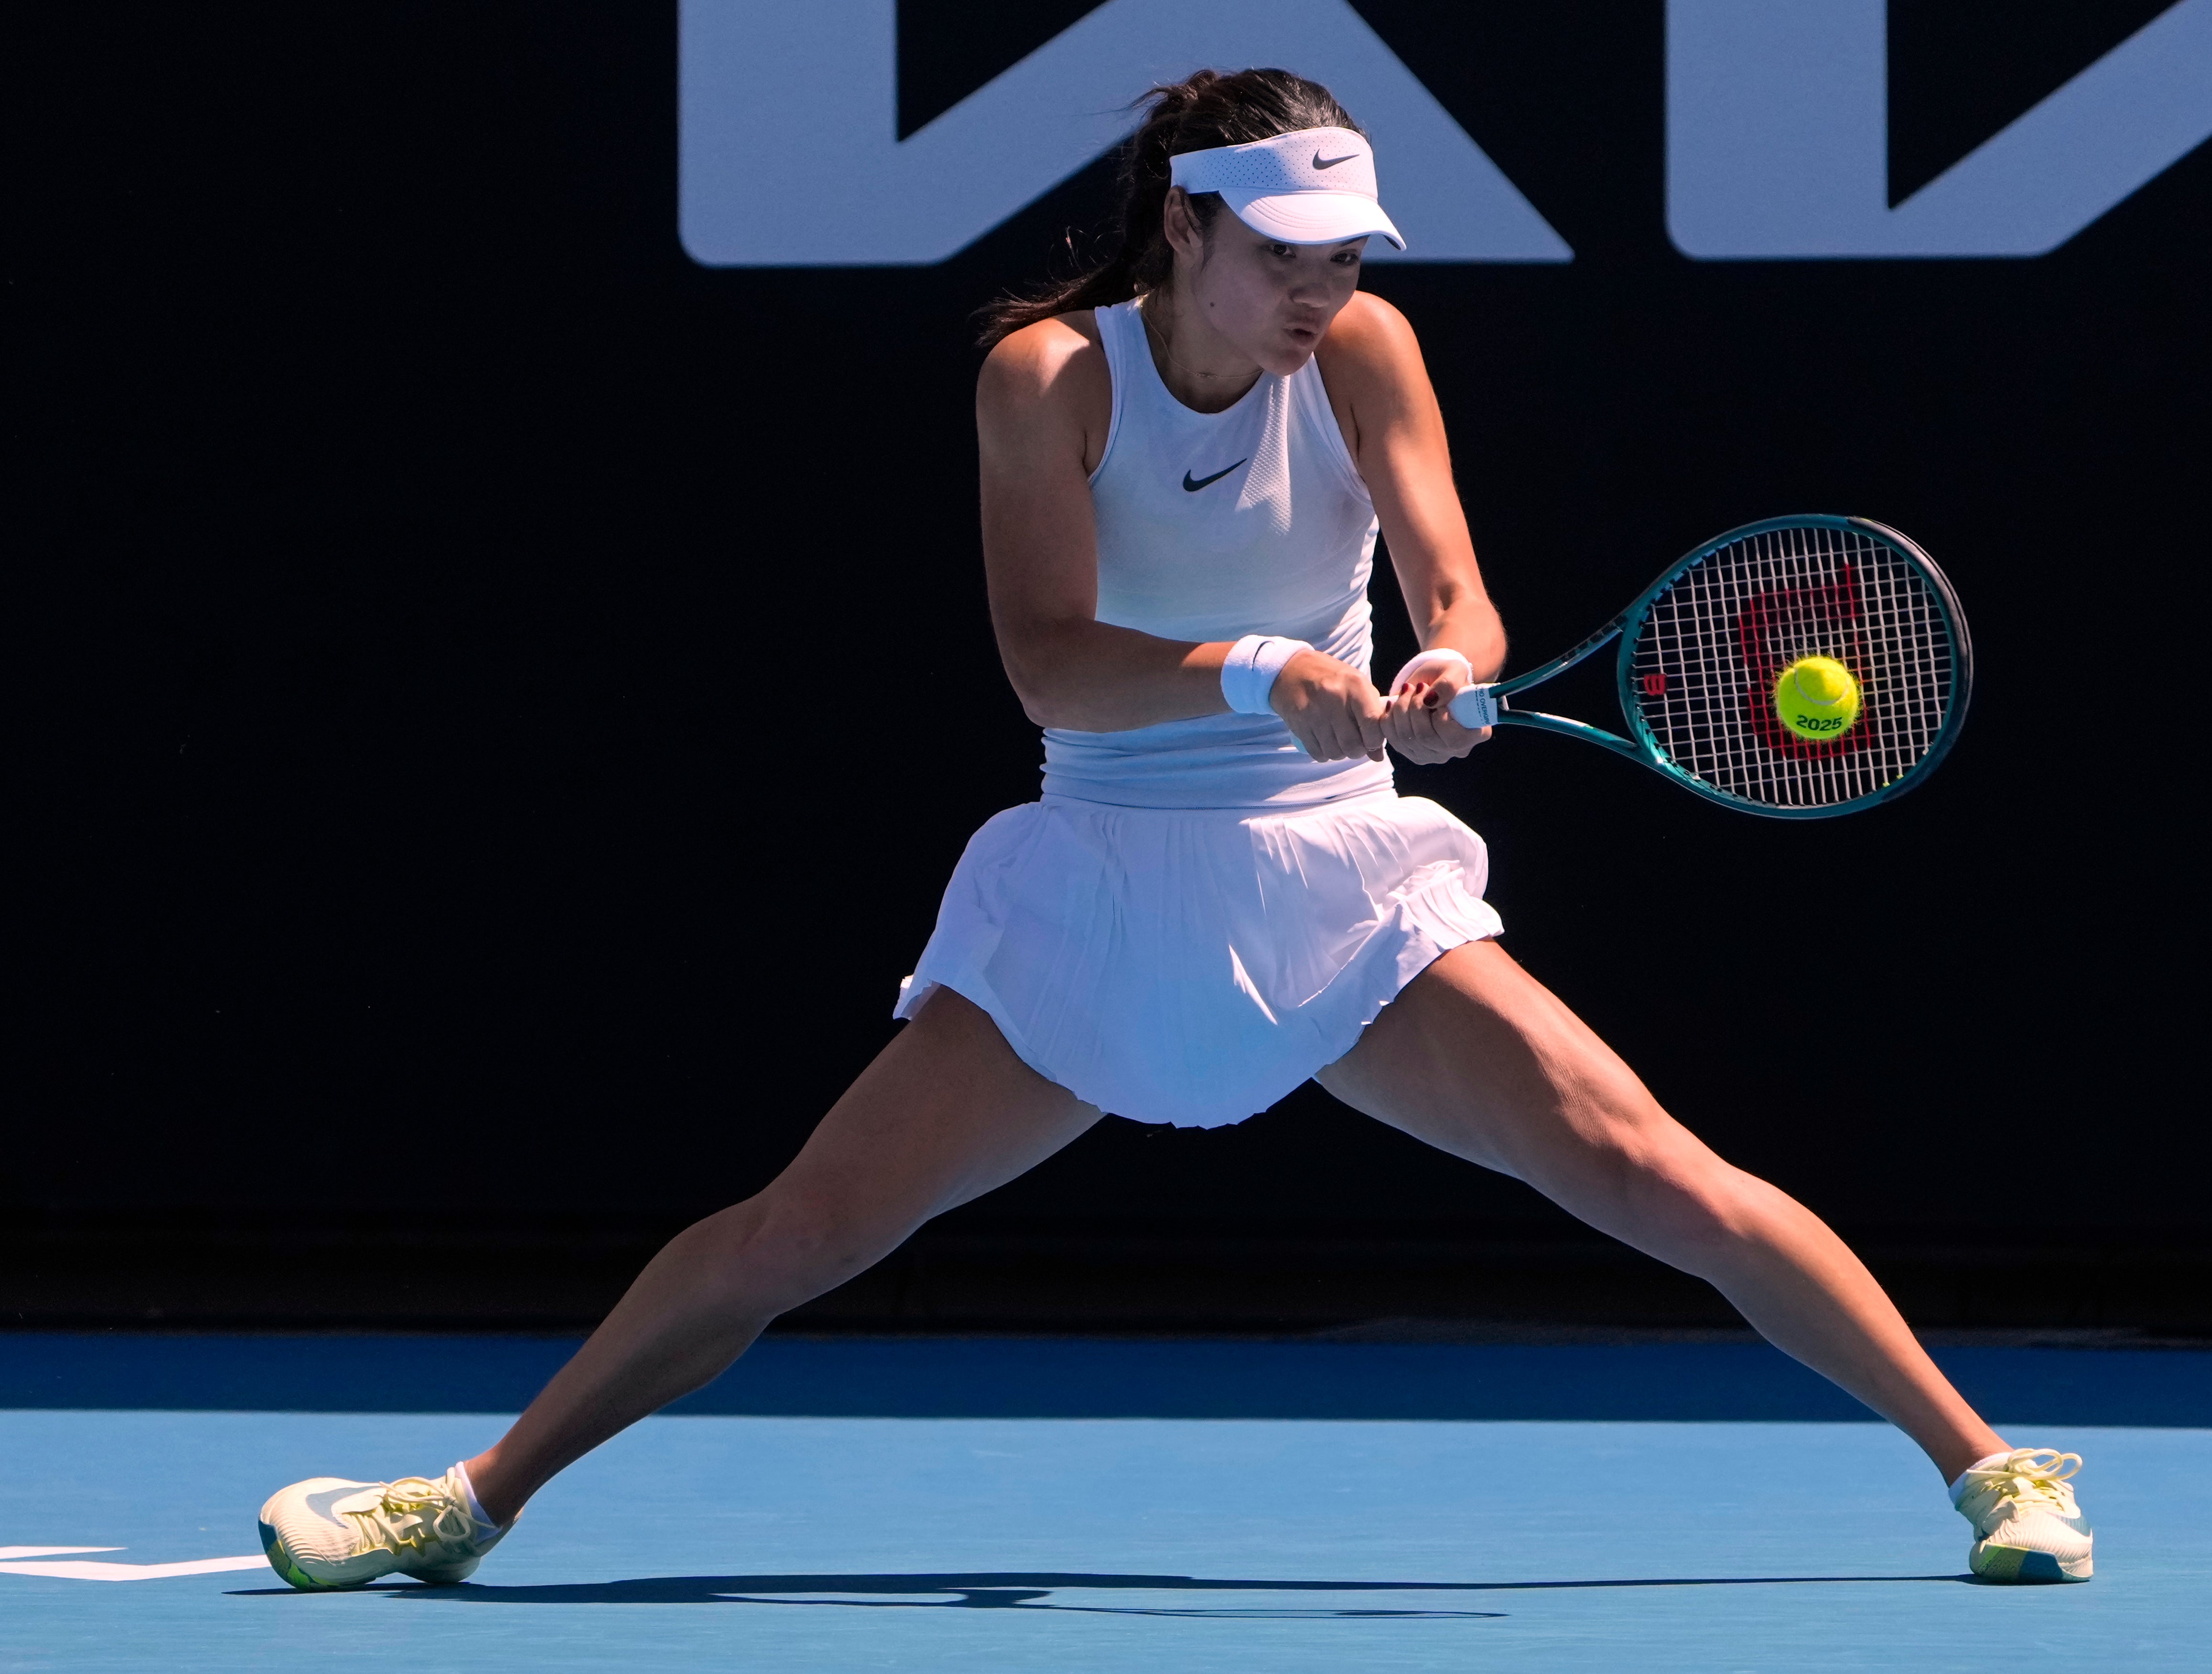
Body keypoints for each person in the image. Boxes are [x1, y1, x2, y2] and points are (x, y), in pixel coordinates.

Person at [256, 67, 2091, 1591]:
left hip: (1346, 887)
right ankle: (471, 1503)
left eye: (1346, 254)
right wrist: (1255, 671)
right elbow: (1052, 667)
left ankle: (1997, 1468)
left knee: (1649, 1168)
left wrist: (1448, 669)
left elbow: (1459, 586)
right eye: (1284, 251)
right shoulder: (1047, 378)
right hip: (1106, 885)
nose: (1319, 290)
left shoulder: (1367, 352)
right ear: (1187, 225)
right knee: (805, 1229)